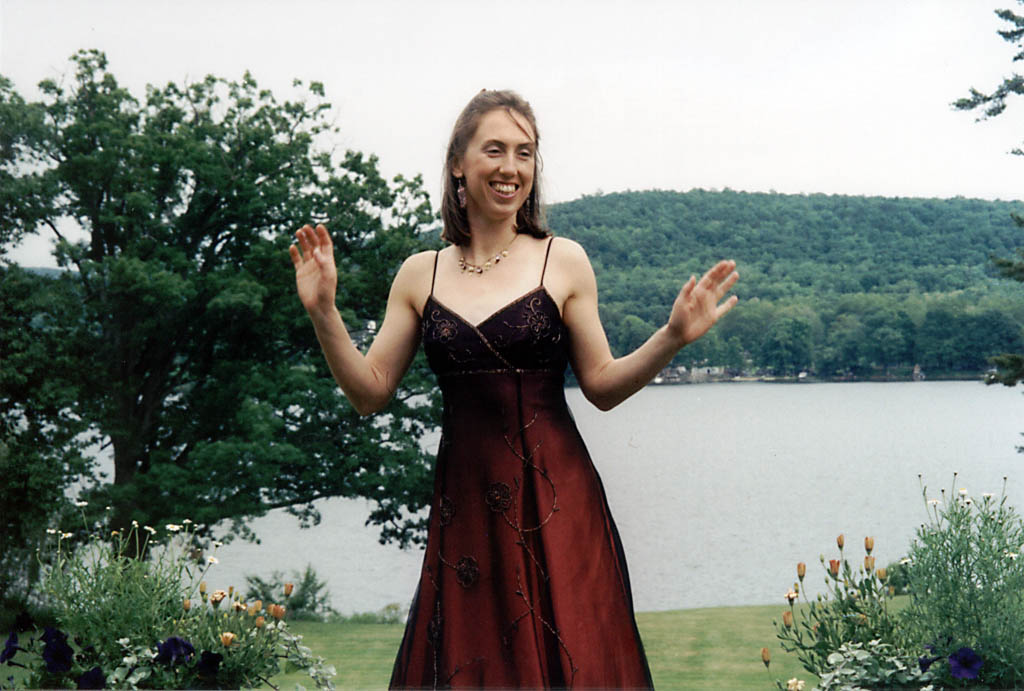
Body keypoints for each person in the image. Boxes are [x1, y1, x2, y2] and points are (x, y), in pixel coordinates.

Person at [290, 89, 738, 689]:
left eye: (524, 153)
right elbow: (369, 392)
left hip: (556, 503)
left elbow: (601, 386)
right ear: (458, 163)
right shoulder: (419, 272)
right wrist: (324, 312)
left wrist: (673, 336)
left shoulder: (564, 260)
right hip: (466, 511)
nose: (511, 167)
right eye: (494, 149)